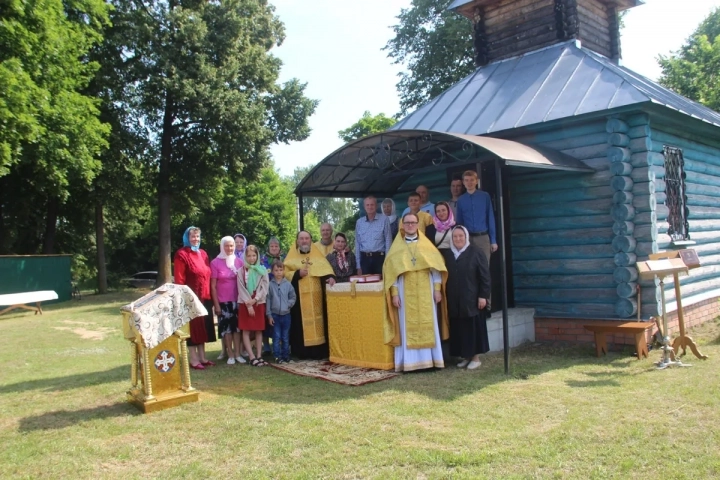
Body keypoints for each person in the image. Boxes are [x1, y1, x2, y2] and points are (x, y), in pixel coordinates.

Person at [383, 213, 448, 372]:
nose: (410, 225)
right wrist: (395, 294)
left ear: (418, 224)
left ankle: (431, 361)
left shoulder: (427, 246)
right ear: (403, 225)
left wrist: (437, 290)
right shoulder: (396, 248)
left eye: (413, 222)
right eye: (407, 223)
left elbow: (436, 270)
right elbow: (393, 275)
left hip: (427, 290)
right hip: (406, 291)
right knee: (407, 326)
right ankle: (409, 363)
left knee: (429, 323)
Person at [442, 226, 490, 370]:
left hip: (472, 298)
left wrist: (483, 296)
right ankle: (466, 356)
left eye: (460, 236)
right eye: (455, 236)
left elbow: (485, 276)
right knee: (459, 328)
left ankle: (475, 357)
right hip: (455, 299)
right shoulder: (448, 255)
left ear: (466, 237)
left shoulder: (476, 252)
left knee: (472, 328)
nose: (458, 239)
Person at [284, 231, 336, 359]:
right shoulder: (291, 256)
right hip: (299, 299)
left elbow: (326, 269)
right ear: (297, 241)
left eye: (307, 238)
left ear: (310, 240)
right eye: (301, 238)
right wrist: (297, 273)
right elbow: (283, 273)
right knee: (299, 323)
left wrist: (330, 277)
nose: (304, 241)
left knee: (319, 321)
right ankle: (301, 352)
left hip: (316, 297)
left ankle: (319, 352)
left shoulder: (317, 255)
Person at [173, 226, 217, 370]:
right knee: (194, 329)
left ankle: (203, 357)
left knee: (204, 327)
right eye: (193, 236)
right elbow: (179, 279)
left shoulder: (203, 254)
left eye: (197, 236)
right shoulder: (181, 254)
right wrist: (182, 298)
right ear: (187, 238)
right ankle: (193, 359)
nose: (195, 239)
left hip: (205, 297)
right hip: (190, 298)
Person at [210, 236, 245, 365]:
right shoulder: (215, 262)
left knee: (237, 328)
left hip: (238, 300)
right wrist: (216, 305)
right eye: (227, 245)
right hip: (223, 301)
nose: (229, 248)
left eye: (231, 246)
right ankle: (230, 354)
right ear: (222, 246)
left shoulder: (239, 262)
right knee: (227, 329)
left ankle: (237, 353)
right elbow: (213, 286)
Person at [455, 170, 497, 264]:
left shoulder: (484, 196)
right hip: (468, 238)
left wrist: (493, 240)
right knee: (469, 267)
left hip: (483, 237)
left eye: (472, 180)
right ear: (463, 182)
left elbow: (490, 217)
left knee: (484, 266)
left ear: (476, 181)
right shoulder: (461, 200)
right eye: (467, 180)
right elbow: (460, 221)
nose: (469, 183)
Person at [238, 245, 270, 367]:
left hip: (258, 302)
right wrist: (249, 304)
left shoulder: (262, 270)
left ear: (257, 256)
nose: (251, 258)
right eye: (249, 256)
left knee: (258, 329)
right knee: (246, 329)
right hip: (245, 303)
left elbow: (264, 287)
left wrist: (255, 299)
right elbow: (241, 288)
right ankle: (251, 356)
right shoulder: (241, 271)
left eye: (254, 255)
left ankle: (259, 355)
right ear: (245, 257)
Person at [266, 260, 296, 363]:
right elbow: (268, 300)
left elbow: (293, 296)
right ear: (272, 272)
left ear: (283, 271)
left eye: (280, 270)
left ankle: (286, 355)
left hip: (286, 315)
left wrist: (288, 304)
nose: (278, 272)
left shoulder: (287, 284)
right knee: (276, 336)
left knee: (285, 336)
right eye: (276, 270)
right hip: (275, 315)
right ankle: (277, 356)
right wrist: (269, 315)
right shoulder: (270, 285)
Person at [354, 195, 392, 275]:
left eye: (372, 205)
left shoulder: (384, 219)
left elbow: (388, 241)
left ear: (376, 206)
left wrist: (387, 262)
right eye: (367, 205)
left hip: (379, 259)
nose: (370, 207)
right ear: (364, 207)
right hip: (364, 260)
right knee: (365, 286)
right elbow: (357, 244)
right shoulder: (359, 222)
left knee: (380, 285)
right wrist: (358, 265)